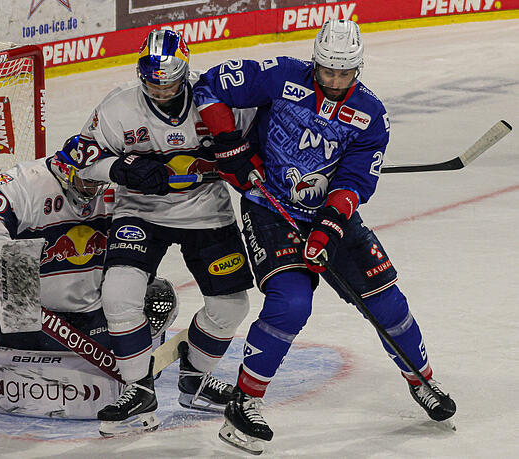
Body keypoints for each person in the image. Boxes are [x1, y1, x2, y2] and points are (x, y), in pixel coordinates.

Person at [192, 19, 457, 453]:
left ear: (359, 68)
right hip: (269, 208)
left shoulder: (371, 116)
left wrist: (330, 227)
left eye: (344, 73)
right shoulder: (280, 76)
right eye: (327, 71)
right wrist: (229, 144)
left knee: (387, 301)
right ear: (315, 62)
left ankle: (421, 380)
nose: (335, 81)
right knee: (292, 302)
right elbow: (209, 86)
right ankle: (244, 402)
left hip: (329, 215)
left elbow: (354, 179)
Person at [75, 29, 258, 437]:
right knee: (118, 294)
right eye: (152, 81)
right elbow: (76, 158)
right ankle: (138, 390)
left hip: (206, 212)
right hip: (140, 212)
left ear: (186, 72)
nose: (160, 89)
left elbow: (257, 147)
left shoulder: (217, 101)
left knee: (230, 308)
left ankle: (195, 379)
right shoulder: (118, 107)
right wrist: (119, 169)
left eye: (169, 81)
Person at [0, 136, 177, 352]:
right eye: (85, 181)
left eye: (98, 181)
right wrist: (3, 260)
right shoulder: (26, 181)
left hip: (90, 308)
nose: (93, 190)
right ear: (64, 169)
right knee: (42, 378)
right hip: (29, 309)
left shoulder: (116, 186)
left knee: (154, 294)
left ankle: (136, 373)